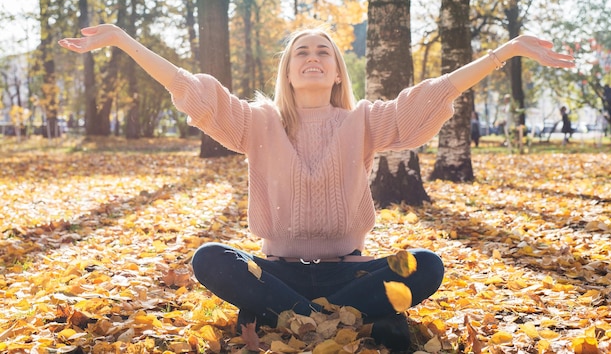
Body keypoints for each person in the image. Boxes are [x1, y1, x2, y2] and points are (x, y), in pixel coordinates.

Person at [58, 25, 575, 350]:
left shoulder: (365, 121)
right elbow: (192, 91)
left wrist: (505, 51)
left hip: (353, 272)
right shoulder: (255, 122)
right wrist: (124, 41)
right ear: (286, 71)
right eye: (301, 51)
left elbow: (432, 96)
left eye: (323, 52)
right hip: (274, 272)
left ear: (335, 72)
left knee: (426, 264)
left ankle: (293, 320)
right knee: (211, 256)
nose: (312, 56)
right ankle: (355, 321)